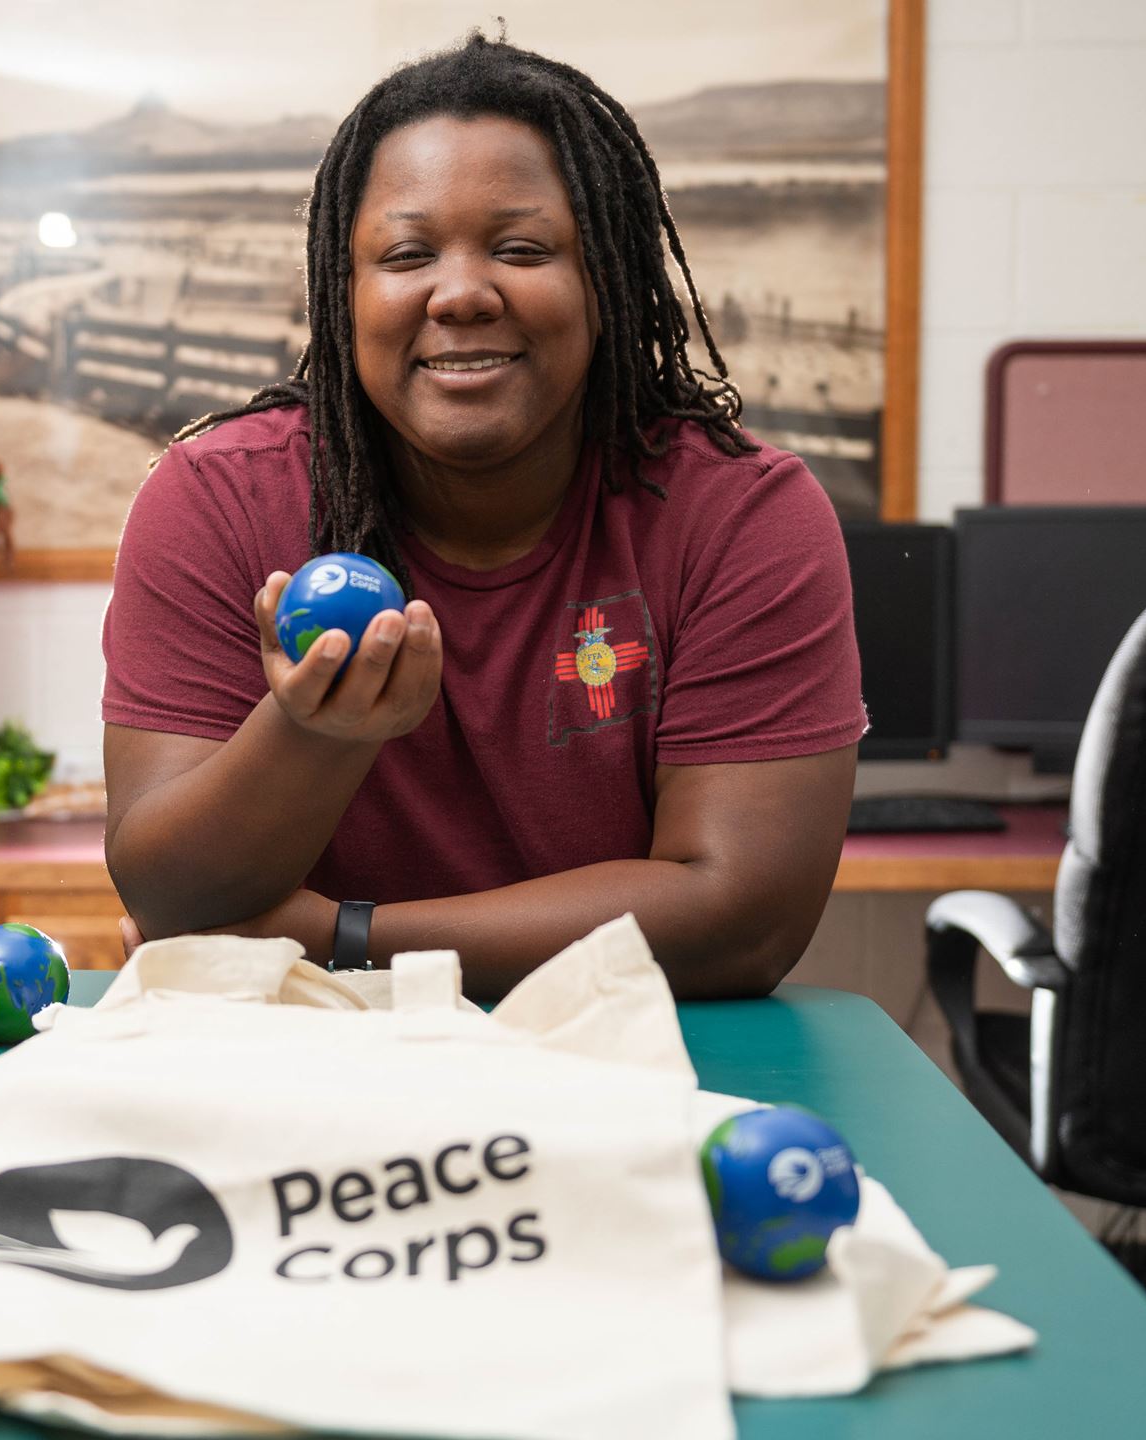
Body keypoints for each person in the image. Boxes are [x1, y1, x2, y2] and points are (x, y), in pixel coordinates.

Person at [102, 34, 864, 999]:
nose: (460, 294)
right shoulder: (219, 498)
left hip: (632, 1077)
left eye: (522, 248)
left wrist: (340, 939)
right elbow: (171, 893)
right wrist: (318, 733)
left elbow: (741, 919)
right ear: (345, 297)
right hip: (299, 1079)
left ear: (609, 283)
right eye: (407, 253)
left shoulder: (740, 517)